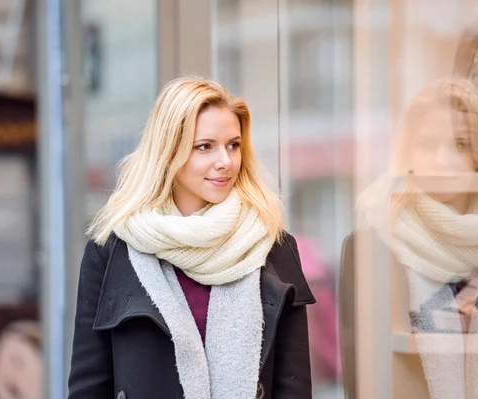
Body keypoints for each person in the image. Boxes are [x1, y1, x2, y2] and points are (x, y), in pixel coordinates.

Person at [68, 76, 316, 399]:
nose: (225, 162)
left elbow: (294, 389)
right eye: (205, 147)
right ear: (170, 153)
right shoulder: (111, 253)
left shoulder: (272, 247)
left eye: (233, 145)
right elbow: (88, 387)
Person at [341, 78, 478, 398]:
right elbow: (360, 379)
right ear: (407, 152)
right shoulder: (372, 246)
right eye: (427, 144)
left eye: (461, 143)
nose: (442, 160)